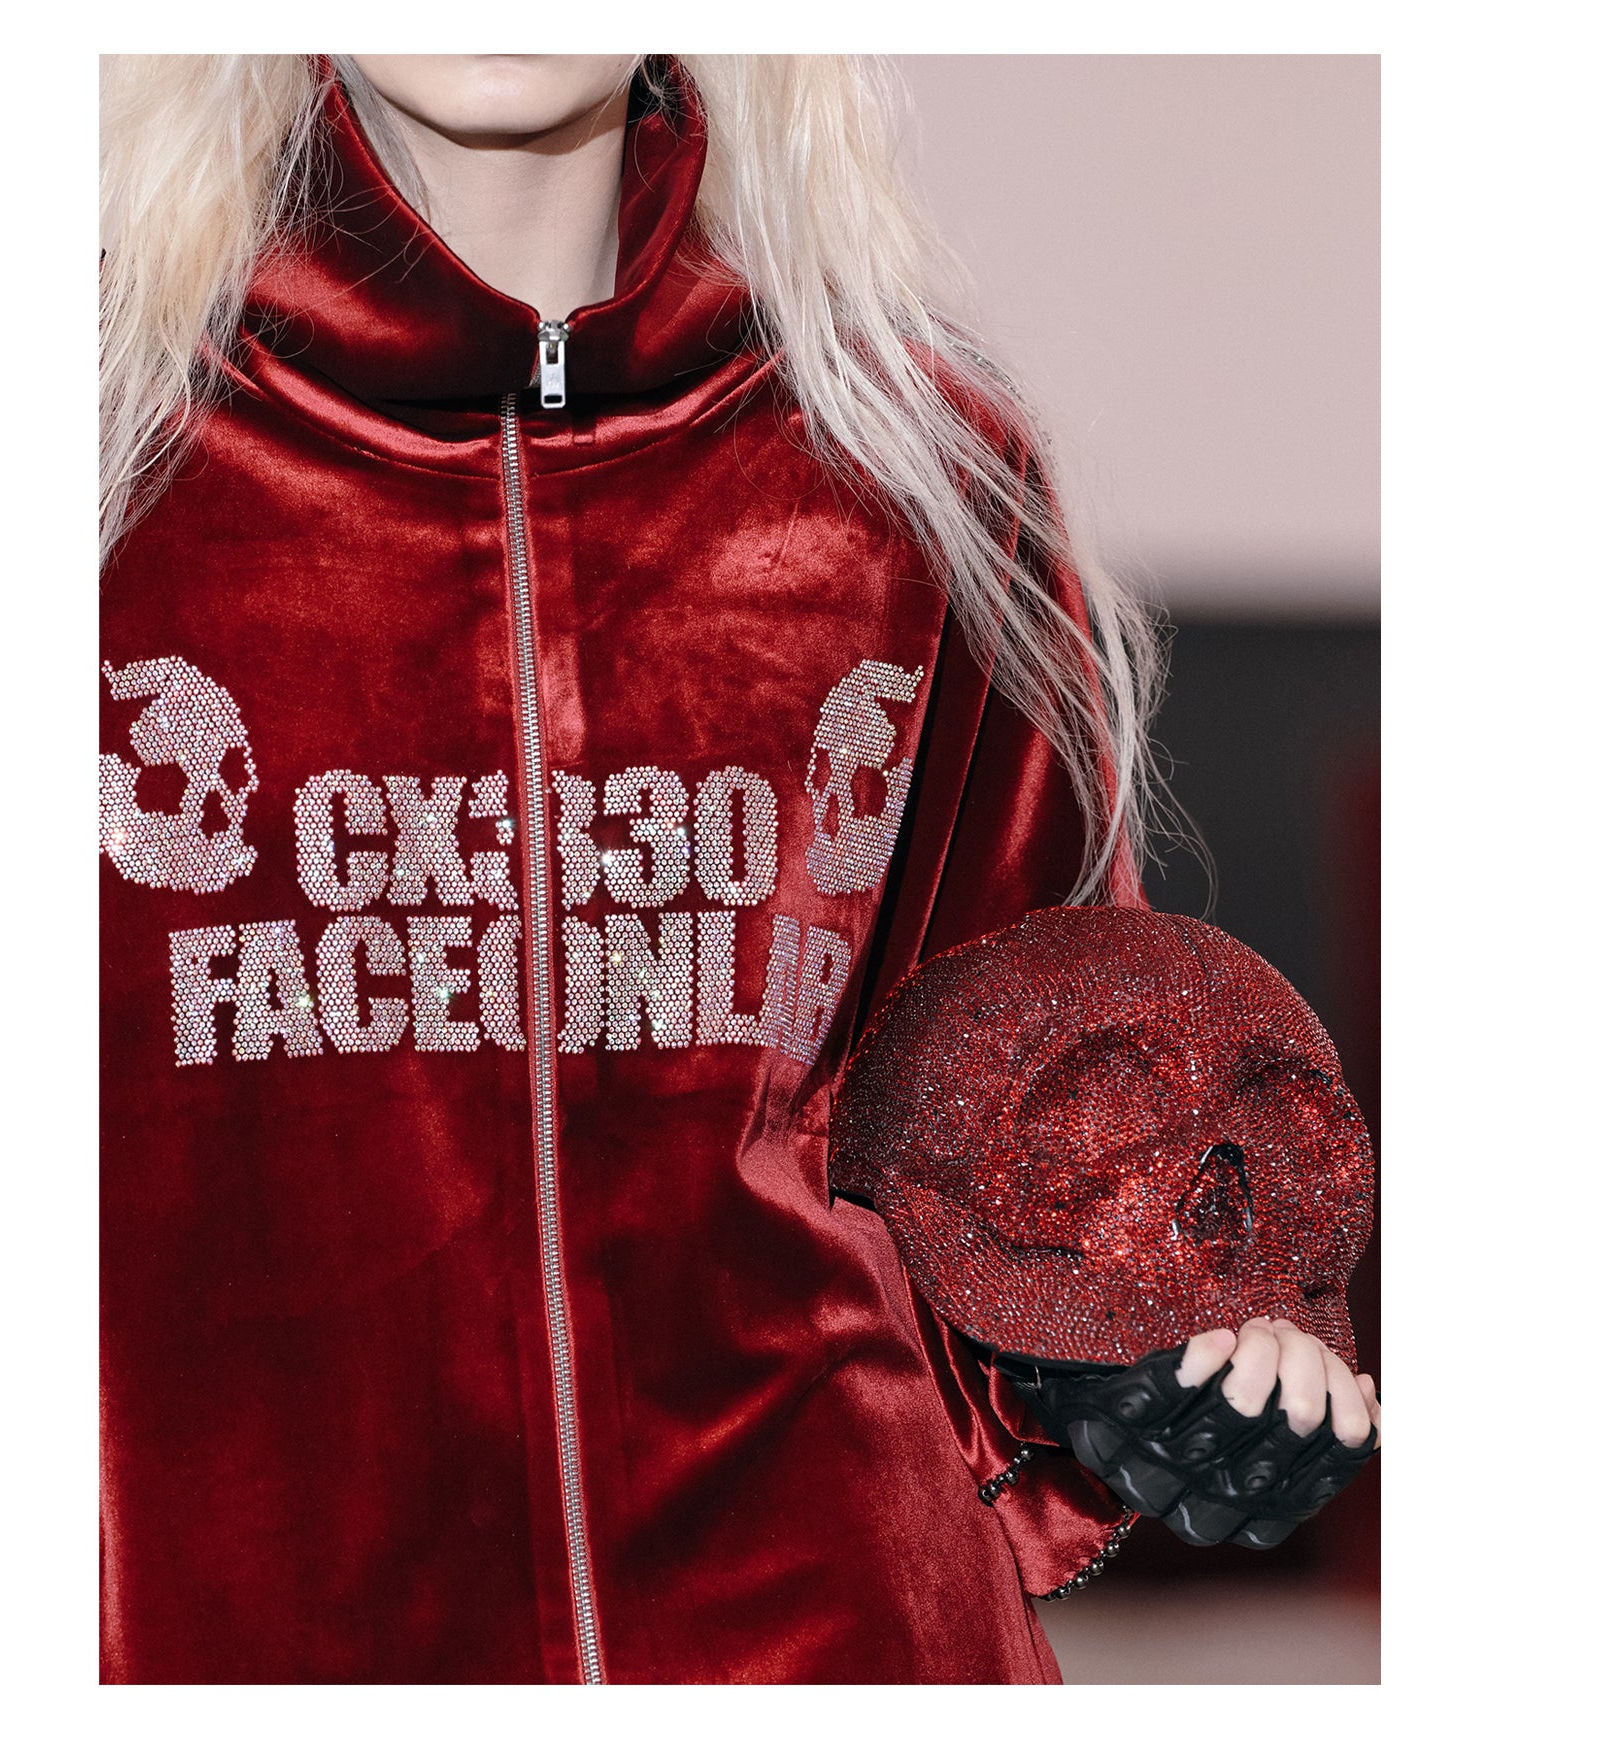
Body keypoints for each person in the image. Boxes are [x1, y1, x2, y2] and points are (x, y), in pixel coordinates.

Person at [98, 53, 1380, 1683]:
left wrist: (1141, 1342)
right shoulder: (85, 462)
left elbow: (1014, 1098)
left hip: (842, 1636)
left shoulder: (915, 466)